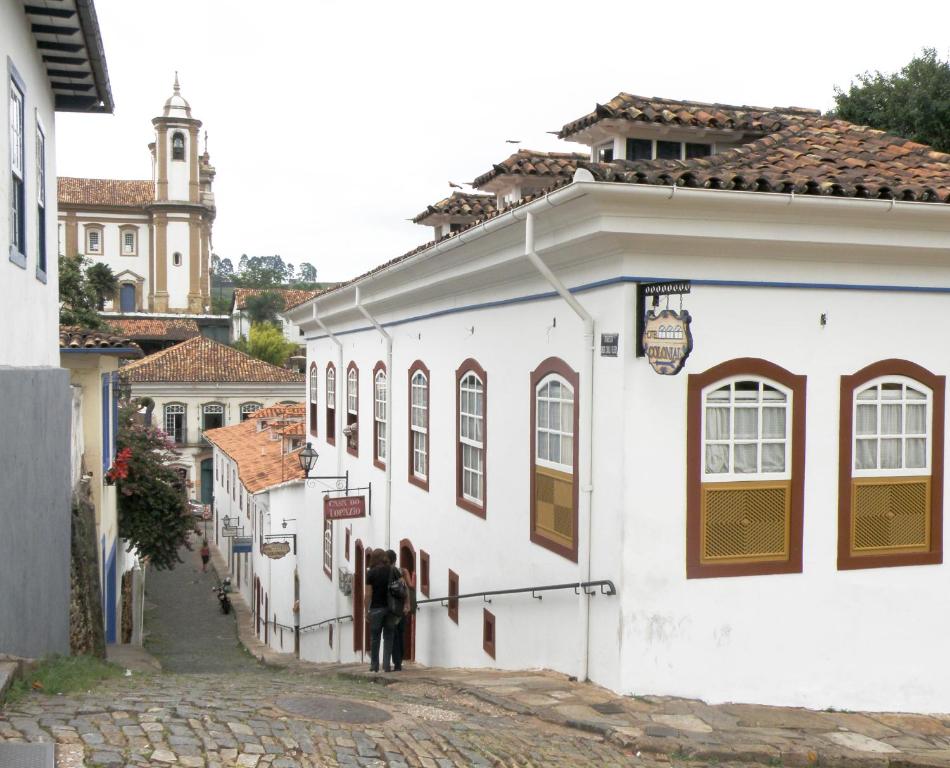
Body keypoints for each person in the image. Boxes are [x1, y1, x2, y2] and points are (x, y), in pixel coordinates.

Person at [364, 548, 398, 672]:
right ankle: (386, 665)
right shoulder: (392, 570)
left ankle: (374, 665)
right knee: (389, 636)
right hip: (391, 608)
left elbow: (368, 594)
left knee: (375, 637)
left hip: (376, 608)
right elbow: (401, 587)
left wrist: (366, 610)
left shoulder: (371, 573)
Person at [386, 550, 412, 671]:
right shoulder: (401, 571)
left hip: (390, 608)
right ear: (395, 560)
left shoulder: (383, 572)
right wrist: (407, 604)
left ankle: (394, 661)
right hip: (400, 608)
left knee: (392, 635)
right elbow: (408, 587)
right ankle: (398, 662)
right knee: (400, 634)